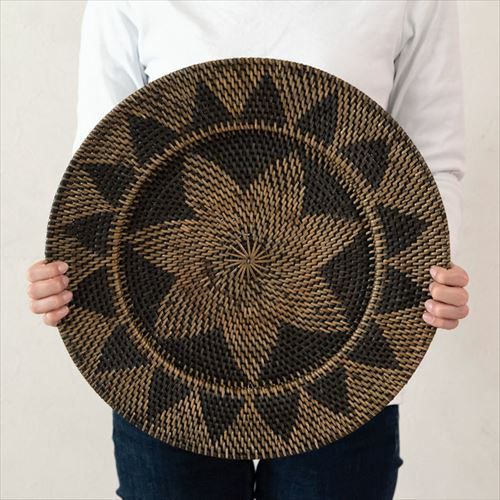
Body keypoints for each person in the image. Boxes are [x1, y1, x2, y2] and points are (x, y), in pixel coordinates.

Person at [26, 1, 470, 499]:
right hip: (160, 362)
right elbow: (101, 165)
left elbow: (432, 160)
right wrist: (66, 277)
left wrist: (430, 267)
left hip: (352, 347)